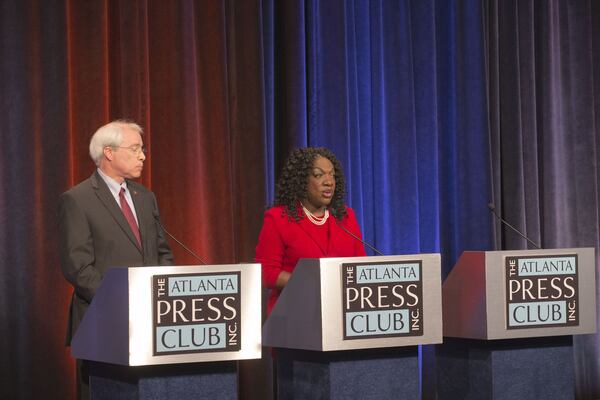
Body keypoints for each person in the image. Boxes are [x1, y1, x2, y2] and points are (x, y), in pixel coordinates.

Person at [58, 120, 174, 399]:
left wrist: (165, 294)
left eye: (142, 149)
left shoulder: (145, 197)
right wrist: (122, 302)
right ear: (108, 152)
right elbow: (78, 267)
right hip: (102, 320)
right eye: (135, 149)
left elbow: (163, 252)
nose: (143, 156)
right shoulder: (78, 199)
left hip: (149, 323)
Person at [255, 147, 366, 314]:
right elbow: (266, 272)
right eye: (318, 175)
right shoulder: (279, 218)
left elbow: (360, 267)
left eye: (332, 175)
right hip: (294, 315)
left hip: (341, 312)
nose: (329, 181)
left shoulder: (346, 217)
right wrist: (313, 282)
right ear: (301, 181)